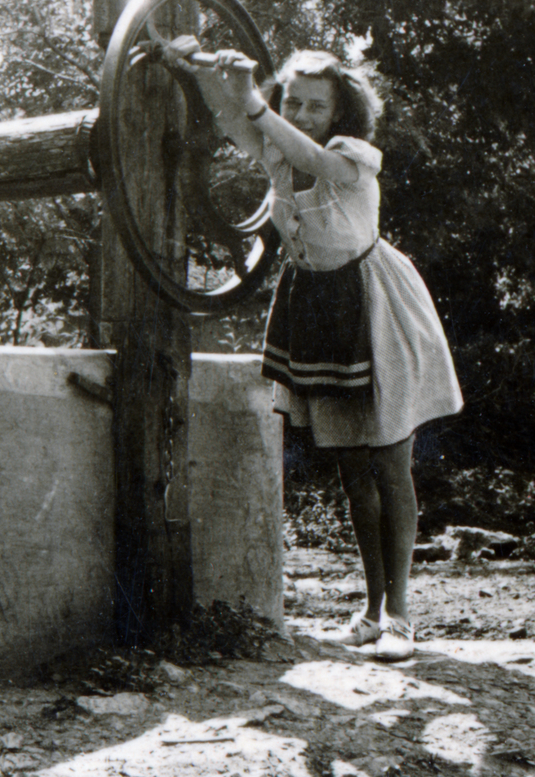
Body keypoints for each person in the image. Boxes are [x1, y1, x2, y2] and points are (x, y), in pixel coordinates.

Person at [188, 47, 462, 661]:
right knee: (350, 467)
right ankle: (369, 610)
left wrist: (255, 101)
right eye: (295, 102)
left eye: (317, 105)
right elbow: (236, 124)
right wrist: (211, 76)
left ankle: (400, 615)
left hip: (377, 310)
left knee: (390, 463)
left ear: (340, 112)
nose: (304, 114)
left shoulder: (351, 157)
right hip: (317, 310)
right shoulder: (280, 155)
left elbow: (310, 153)